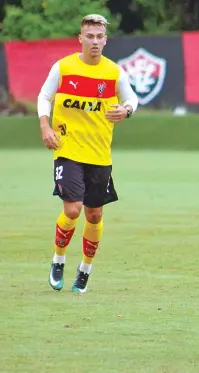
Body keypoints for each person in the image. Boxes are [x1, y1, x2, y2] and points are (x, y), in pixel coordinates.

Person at [38, 14, 138, 293]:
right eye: (89, 36)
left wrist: (126, 110)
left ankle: (84, 270)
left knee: (94, 216)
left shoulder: (114, 72)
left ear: (105, 40)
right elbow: (44, 96)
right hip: (67, 150)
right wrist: (45, 126)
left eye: (99, 37)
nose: (94, 41)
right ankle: (58, 260)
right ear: (80, 38)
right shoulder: (64, 67)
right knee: (72, 209)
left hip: (99, 155)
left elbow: (132, 98)